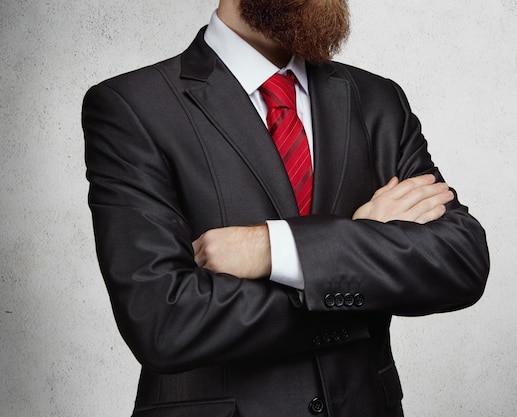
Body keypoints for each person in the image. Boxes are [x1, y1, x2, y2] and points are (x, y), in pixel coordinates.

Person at [82, 0, 489, 416]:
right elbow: (164, 322)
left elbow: (460, 260)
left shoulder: (378, 99)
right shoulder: (131, 107)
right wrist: (358, 255)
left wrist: (275, 248)